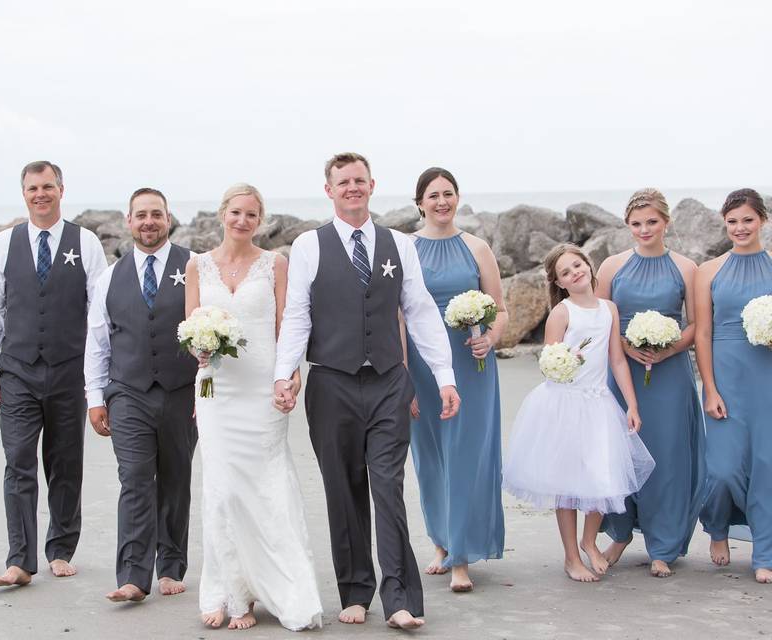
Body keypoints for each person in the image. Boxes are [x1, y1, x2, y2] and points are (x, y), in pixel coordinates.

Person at [274, 153, 460, 630]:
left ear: (372, 185)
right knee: (343, 490)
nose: (352, 188)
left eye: (359, 180)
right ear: (329, 190)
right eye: (343, 182)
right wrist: (284, 373)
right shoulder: (308, 246)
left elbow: (418, 312)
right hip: (330, 383)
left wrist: (444, 376)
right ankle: (355, 590)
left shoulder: (399, 244)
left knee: (387, 488)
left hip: (387, 382)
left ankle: (400, 597)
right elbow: (297, 315)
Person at [187, 184, 322, 632]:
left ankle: (279, 588)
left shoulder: (274, 264)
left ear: (260, 220)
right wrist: (200, 351)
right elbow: (189, 328)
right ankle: (232, 592)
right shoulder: (197, 265)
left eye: (251, 215)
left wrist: (291, 374)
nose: (242, 221)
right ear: (221, 213)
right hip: (217, 390)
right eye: (236, 212)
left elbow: (288, 323)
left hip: (263, 390)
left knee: (266, 488)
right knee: (222, 490)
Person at [0, 160, 107, 586]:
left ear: (61, 189)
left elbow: (99, 313)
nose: (40, 194)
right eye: (33, 188)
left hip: (70, 372)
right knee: (17, 462)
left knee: (65, 463)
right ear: (24, 194)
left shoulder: (85, 242)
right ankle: (20, 559)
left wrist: (97, 380)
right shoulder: (3, 244)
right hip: (17, 372)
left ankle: (61, 547)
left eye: (47, 186)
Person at [502, 244, 655, 582]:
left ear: (589, 264)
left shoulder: (609, 309)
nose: (575, 273)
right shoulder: (562, 312)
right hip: (565, 404)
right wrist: (568, 360)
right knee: (568, 484)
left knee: (603, 474)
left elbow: (617, 359)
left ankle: (590, 539)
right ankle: (572, 556)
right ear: (559, 283)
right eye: (566, 273)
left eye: (578, 265)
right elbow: (549, 363)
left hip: (599, 403)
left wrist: (631, 403)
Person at [85, 188, 198, 602]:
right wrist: (94, 397)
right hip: (127, 391)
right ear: (128, 221)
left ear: (169, 218)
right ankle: (133, 574)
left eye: (156, 214)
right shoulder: (109, 277)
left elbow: (215, 333)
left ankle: (170, 565)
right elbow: (97, 341)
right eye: (141, 215)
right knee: (134, 478)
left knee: (175, 479)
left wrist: (208, 394)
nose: (148, 221)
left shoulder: (195, 267)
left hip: (183, 392)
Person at [595, 189, 705, 578]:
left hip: (670, 375)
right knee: (620, 454)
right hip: (622, 373)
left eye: (652, 222)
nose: (644, 230)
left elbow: (696, 324)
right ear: (627, 225)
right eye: (637, 223)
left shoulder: (687, 268)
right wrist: (625, 344)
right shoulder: (611, 266)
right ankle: (620, 534)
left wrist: (669, 348)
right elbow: (599, 318)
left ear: (666, 222)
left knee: (668, 458)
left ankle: (663, 546)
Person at [405, 167, 506, 592]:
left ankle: (462, 556)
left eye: (448, 193)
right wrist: (403, 374)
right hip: (421, 365)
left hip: (471, 365)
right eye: (433, 195)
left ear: (458, 198)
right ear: (420, 203)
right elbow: (398, 312)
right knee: (430, 456)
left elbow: (499, 309)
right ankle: (442, 543)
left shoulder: (477, 247)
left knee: (466, 455)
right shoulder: (405, 247)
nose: (442, 201)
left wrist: (490, 339)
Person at [694, 189, 772, 584]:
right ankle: (718, 527)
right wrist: (709, 387)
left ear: (763, 220)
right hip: (725, 372)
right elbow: (702, 332)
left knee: (767, 466)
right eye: (732, 221)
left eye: (748, 220)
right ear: (724, 223)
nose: (740, 228)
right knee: (723, 468)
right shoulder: (708, 270)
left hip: (768, 374)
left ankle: (765, 551)